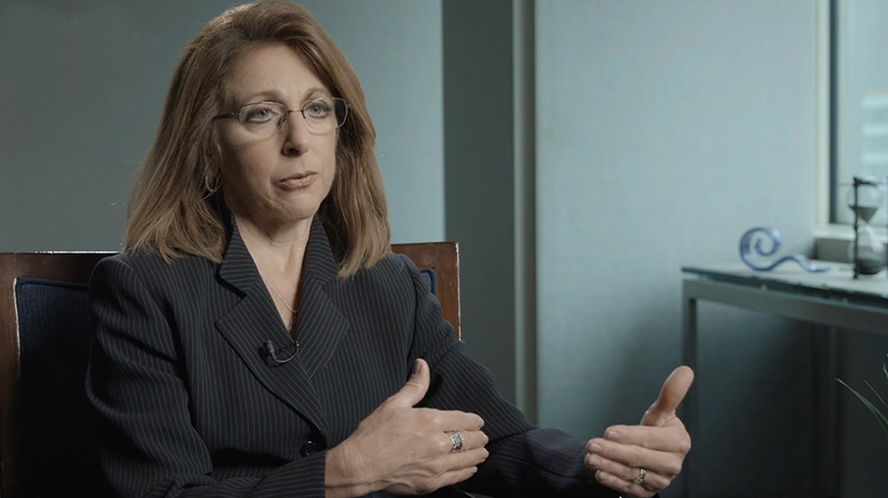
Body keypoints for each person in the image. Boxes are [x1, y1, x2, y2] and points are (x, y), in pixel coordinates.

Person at [85, 2, 693, 497]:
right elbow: (161, 493)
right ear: (205, 145)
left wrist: (606, 465)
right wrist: (344, 474)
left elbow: (495, 440)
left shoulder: (388, 282)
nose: (298, 140)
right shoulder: (144, 290)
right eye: (261, 114)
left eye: (316, 109)